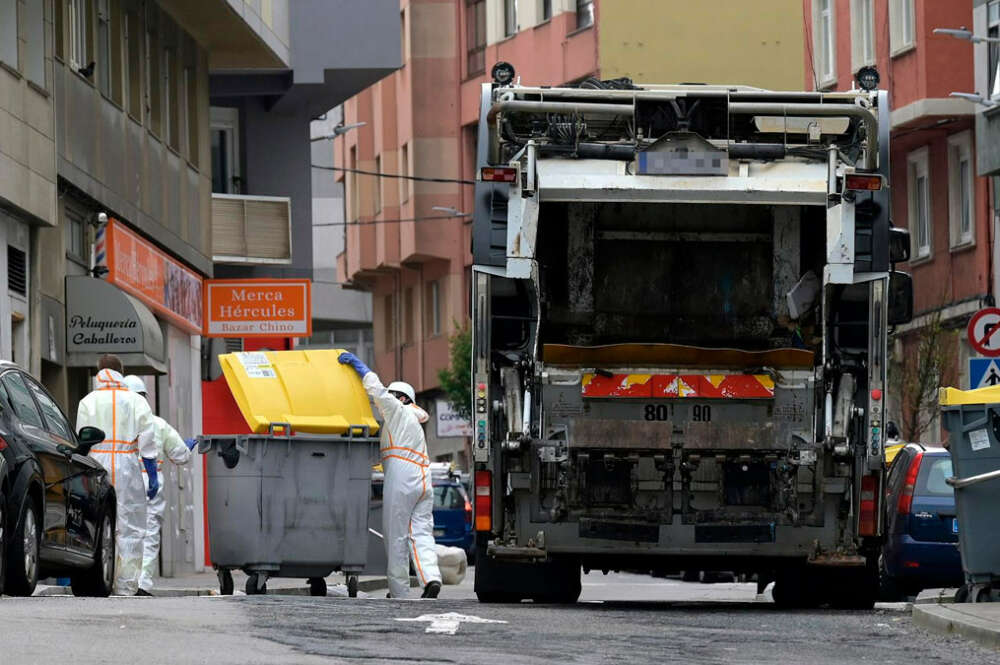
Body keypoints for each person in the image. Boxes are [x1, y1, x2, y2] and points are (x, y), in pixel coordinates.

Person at [338, 351, 441, 599]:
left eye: (394, 395)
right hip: (423, 481)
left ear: (402, 398)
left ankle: (399, 592)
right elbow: (392, 455)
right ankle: (431, 577)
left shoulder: (397, 411)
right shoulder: (412, 422)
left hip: (402, 481)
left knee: (395, 537)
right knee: (421, 533)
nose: (387, 400)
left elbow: (377, 389)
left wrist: (357, 365)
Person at [76, 354, 158, 596]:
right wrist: (151, 475)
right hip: (128, 465)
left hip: (97, 464)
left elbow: (82, 439)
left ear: (98, 372)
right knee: (130, 526)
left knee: (99, 521)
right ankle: (126, 585)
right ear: (122, 372)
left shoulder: (87, 401)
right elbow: (148, 441)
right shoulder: (136, 401)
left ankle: (101, 578)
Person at [122, 375, 197, 596]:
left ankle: (123, 580)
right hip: (150, 485)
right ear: (145, 398)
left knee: (124, 532)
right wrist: (189, 445)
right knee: (149, 535)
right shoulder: (158, 424)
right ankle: (142, 584)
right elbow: (180, 455)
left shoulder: (117, 425)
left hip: (125, 482)